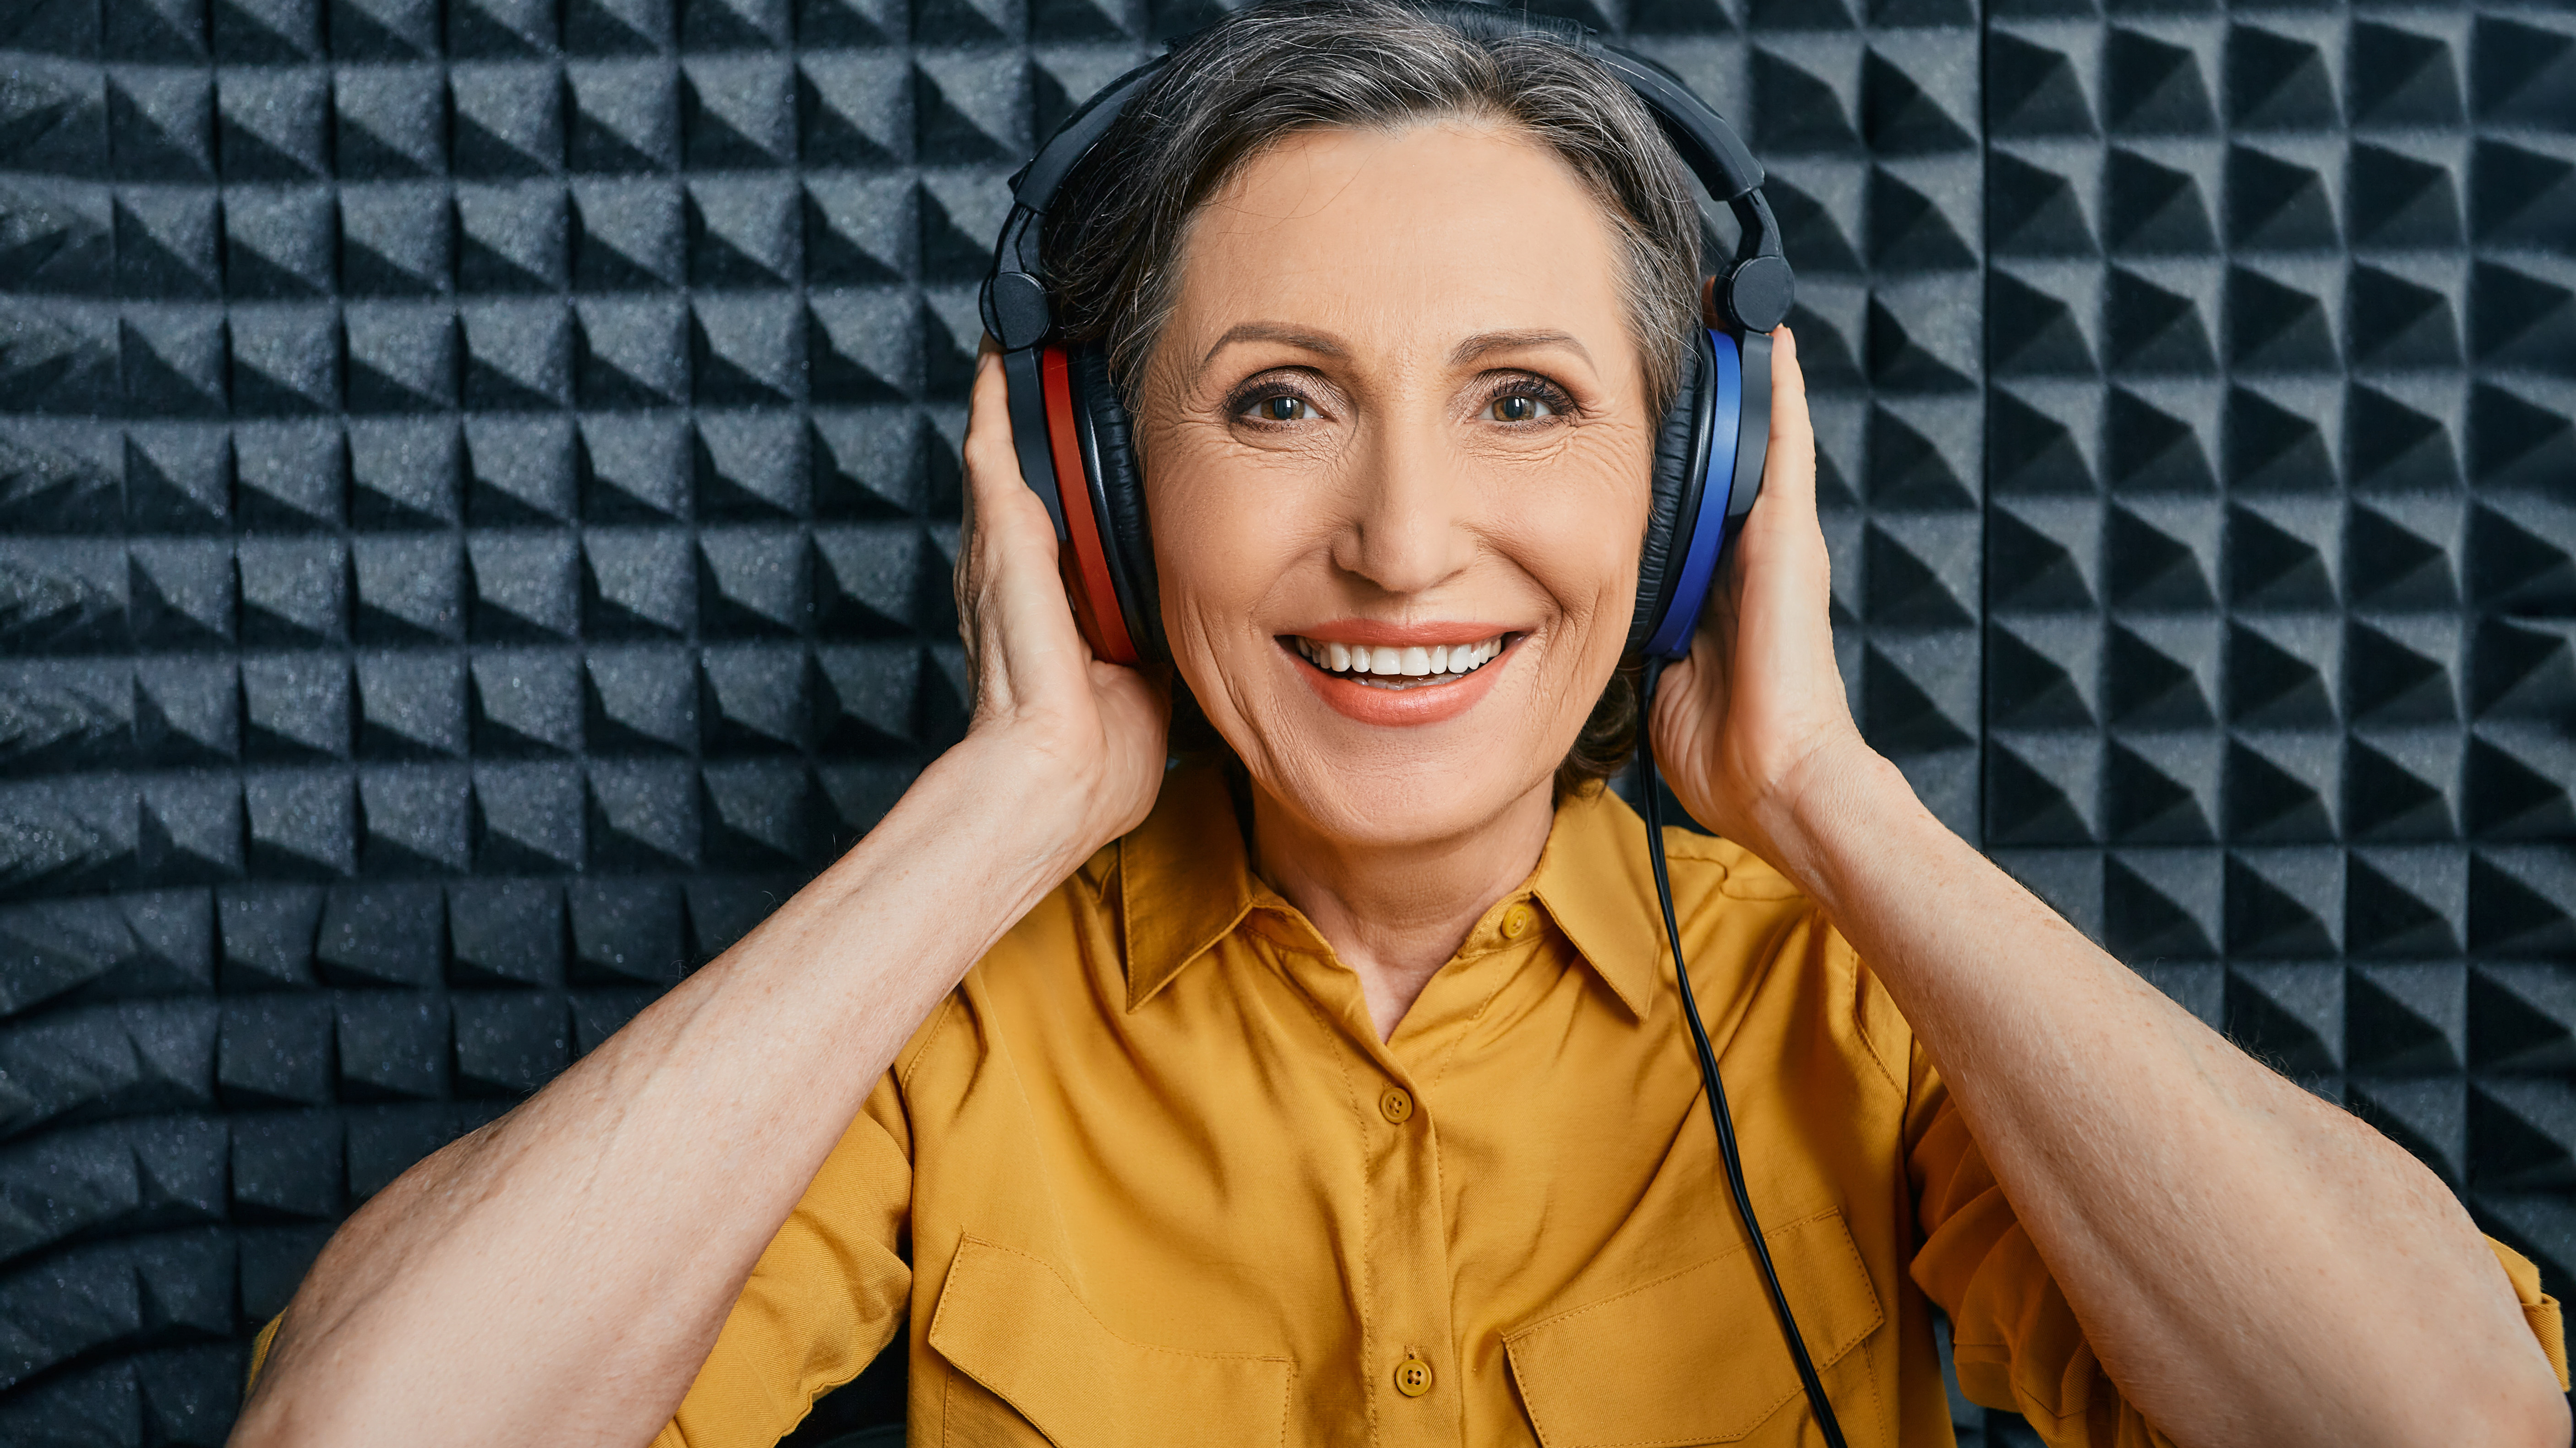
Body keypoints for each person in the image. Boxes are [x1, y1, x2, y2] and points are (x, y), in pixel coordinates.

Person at [229, 4, 2568, 1445]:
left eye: (1527, 401)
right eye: (1275, 404)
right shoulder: (946, 1036)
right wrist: (1008, 798)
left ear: (1692, 492)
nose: (1403, 540)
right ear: (1093, 488)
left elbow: (2450, 1421)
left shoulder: (1831, 994)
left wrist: (1830, 806)